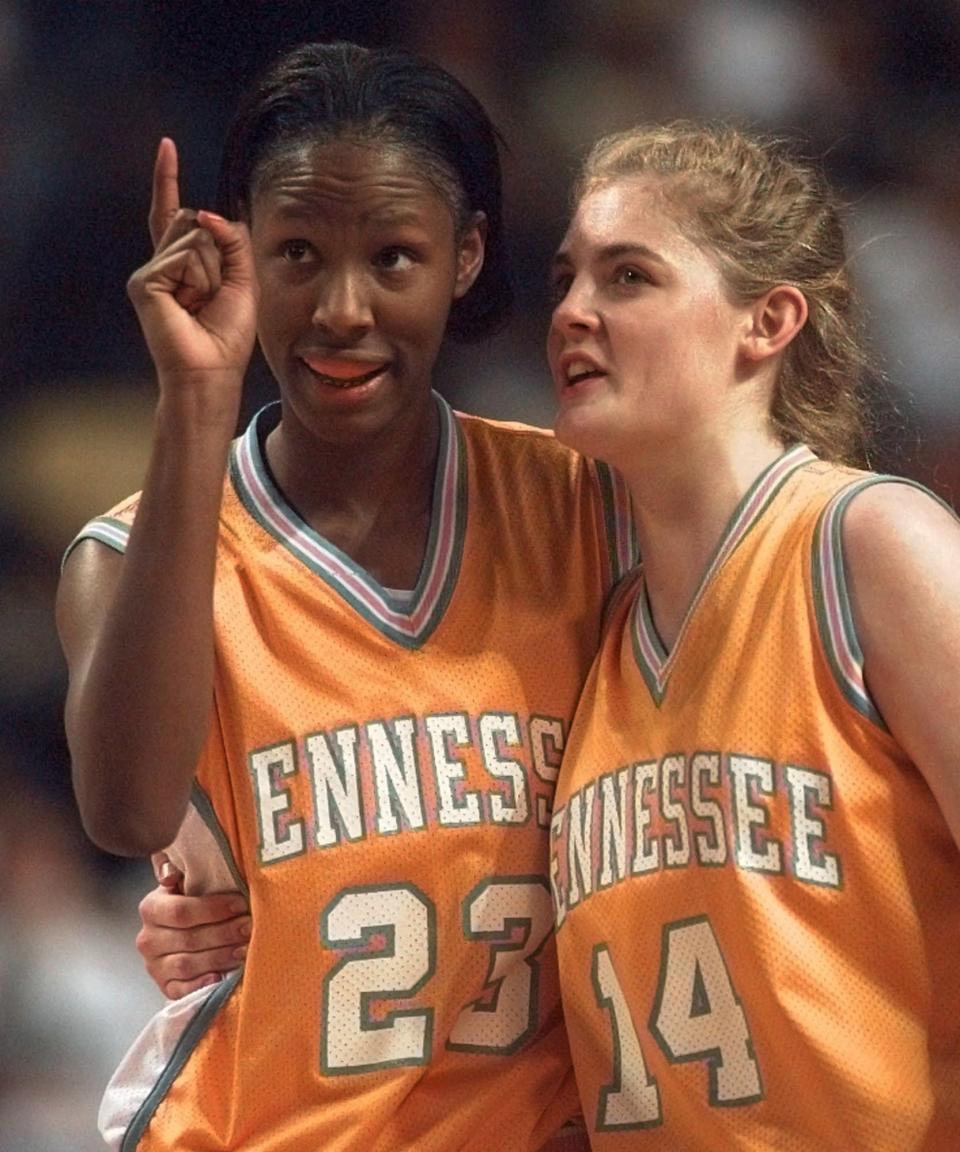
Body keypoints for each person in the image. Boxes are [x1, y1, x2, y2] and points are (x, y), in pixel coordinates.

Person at [56, 41, 636, 1152]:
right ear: (236, 252)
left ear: (466, 257)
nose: (342, 309)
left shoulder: (587, 509)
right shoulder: (127, 554)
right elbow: (125, 812)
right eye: (299, 254)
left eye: (395, 258)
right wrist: (196, 392)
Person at [546, 121, 960, 1149]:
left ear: (767, 321)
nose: (571, 314)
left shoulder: (868, 544)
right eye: (568, 278)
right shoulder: (592, 642)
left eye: (628, 277)